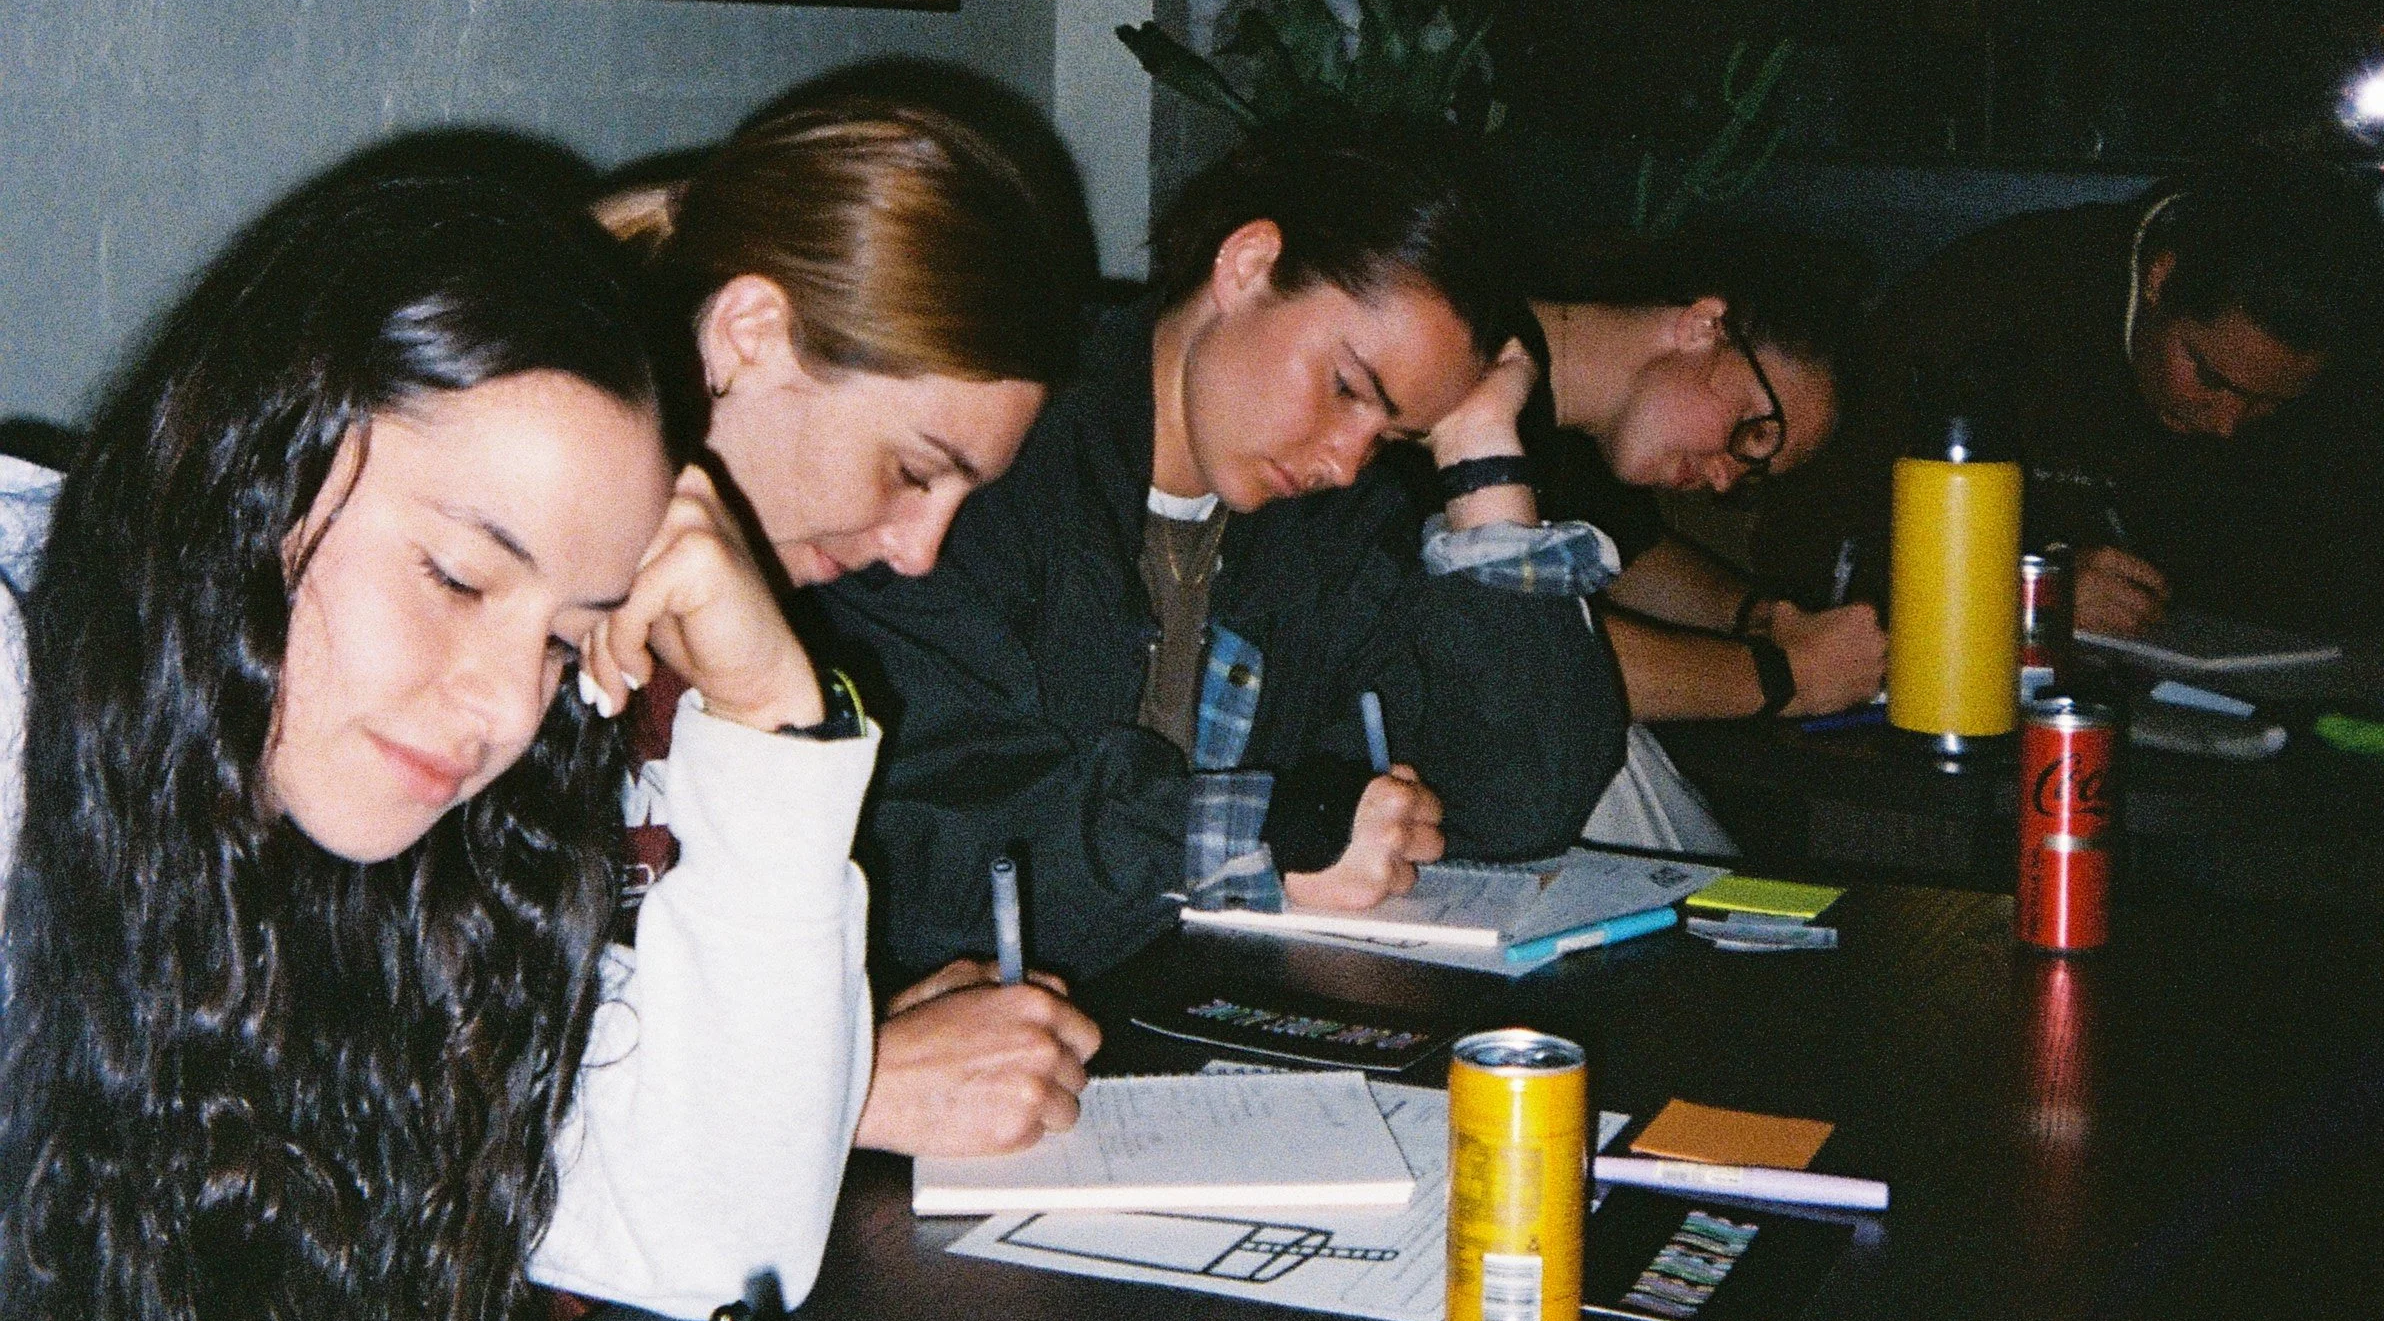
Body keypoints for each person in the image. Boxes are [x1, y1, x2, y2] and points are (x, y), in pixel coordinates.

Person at [0, 155, 913, 1321]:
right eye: (457, 575)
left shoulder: (389, 821)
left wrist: (773, 713)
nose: (504, 706)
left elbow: (705, 1248)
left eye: (573, 633)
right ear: (247, 457)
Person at [833, 122, 1633, 981]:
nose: (1346, 457)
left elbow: (1525, 801)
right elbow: (922, 859)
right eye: (1347, 388)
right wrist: (1265, 828)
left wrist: (1484, 466)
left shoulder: (1331, 528)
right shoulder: (982, 459)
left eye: (1396, 433)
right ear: (1247, 267)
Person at [595, 74, 1103, 1153]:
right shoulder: (504, 594)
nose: (918, 555)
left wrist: (840, 1034)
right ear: (747, 335)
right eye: (913, 468)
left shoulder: (708, 600)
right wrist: (848, 1086)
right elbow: (416, 1103)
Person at [1752, 156, 2384, 640]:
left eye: (2267, 404)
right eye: (2210, 378)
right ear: (2161, 279)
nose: (2226, 424)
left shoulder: (2342, 369)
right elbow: (1803, 547)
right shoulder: (1987, 309)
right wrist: (2029, 593)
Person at [1519, 225, 1885, 722]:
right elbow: (1515, 655)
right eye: (1754, 434)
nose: (1722, 480)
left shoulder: (1564, 433)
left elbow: (1626, 551)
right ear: (1703, 325)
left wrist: (1769, 618)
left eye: (1752, 474)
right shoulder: (1454, 365)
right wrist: (1796, 677)